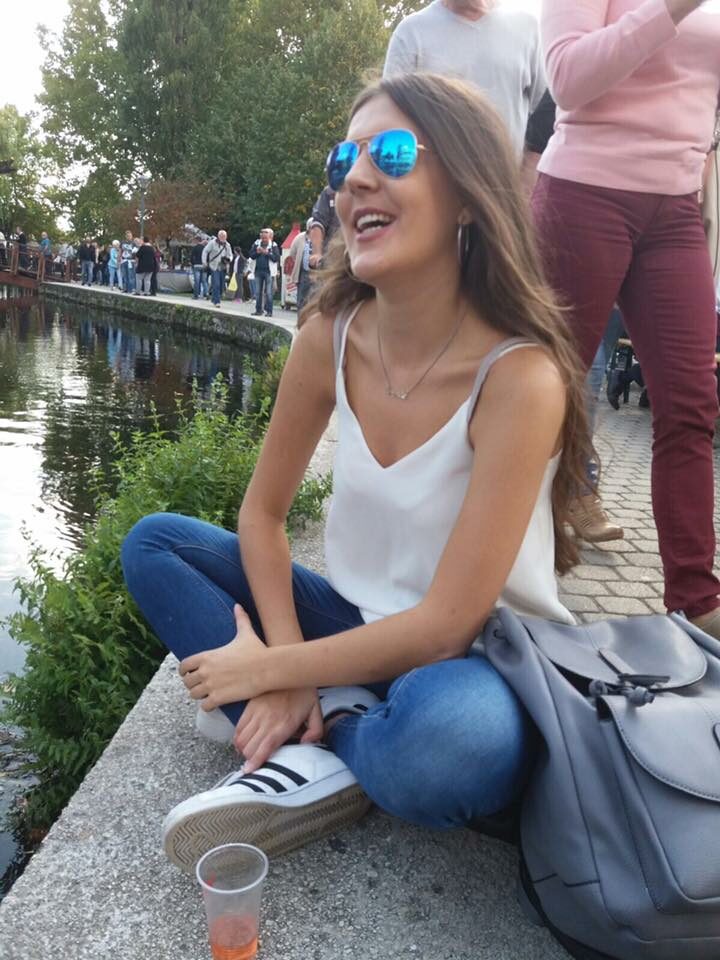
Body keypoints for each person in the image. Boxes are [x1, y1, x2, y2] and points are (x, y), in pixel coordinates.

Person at [121, 72, 592, 873]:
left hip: (474, 657)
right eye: (344, 162)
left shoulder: (521, 376)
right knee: (156, 544)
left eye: (397, 153)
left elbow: (447, 622)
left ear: (472, 196)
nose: (357, 180)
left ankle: (328, 735)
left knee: (453, 747)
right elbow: (262, 517)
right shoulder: (327, 338)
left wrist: (270, 666)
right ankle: (332, 718)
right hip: (349, 620)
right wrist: (290, 659)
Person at [532, 0, 720, 633]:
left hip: (676, 207)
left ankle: (696, 601)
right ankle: (499, 570)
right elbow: (567, 79)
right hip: (583, 193)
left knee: (691, 404)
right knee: (538, 397)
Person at [524, 89, 624, 544]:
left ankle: (576, 492)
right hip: (558, 247)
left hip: (618, 248)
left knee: (592, 377)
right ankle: (555, 497)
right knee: (572, 377)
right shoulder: (571, 78)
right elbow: (530, 157)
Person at [383, 0, 546, 159]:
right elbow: (389, 115)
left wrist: (529, 173)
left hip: (509, 181)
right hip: (432, 182)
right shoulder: (411, 32)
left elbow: (545, 111)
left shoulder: (527, 27)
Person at [249, 228, 280, 317]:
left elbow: (276, 258)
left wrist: (267, 253)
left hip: (269, 271)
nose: (264, 240)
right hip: (258, 270)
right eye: (262, 238)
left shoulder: (273, 245)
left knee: (269, 292)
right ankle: (258, 310)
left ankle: (269, 311)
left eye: (265, 238)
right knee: (258, 292)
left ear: (269, 237)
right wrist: (257, 253)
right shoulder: (256, 244)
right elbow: (251, 255)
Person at [288, 218, 313, 317]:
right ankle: (301, 322)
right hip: (303, 272)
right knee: (302, 299)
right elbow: (292, 253)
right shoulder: (300, 238)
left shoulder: (322, 237)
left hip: (318, 273)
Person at [203, 229, 233, 307]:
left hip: (223, 267)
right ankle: (217, 301)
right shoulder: (212, 243)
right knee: (216, 283)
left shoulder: (227, 245)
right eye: (222, 236)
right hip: (214, 266)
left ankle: (214, 298)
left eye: (224, 236)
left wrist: (229, 259)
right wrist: (204, 262)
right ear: (218, 236)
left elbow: (230, 255)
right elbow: (205, 251)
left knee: (221, 285)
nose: (223, 238)